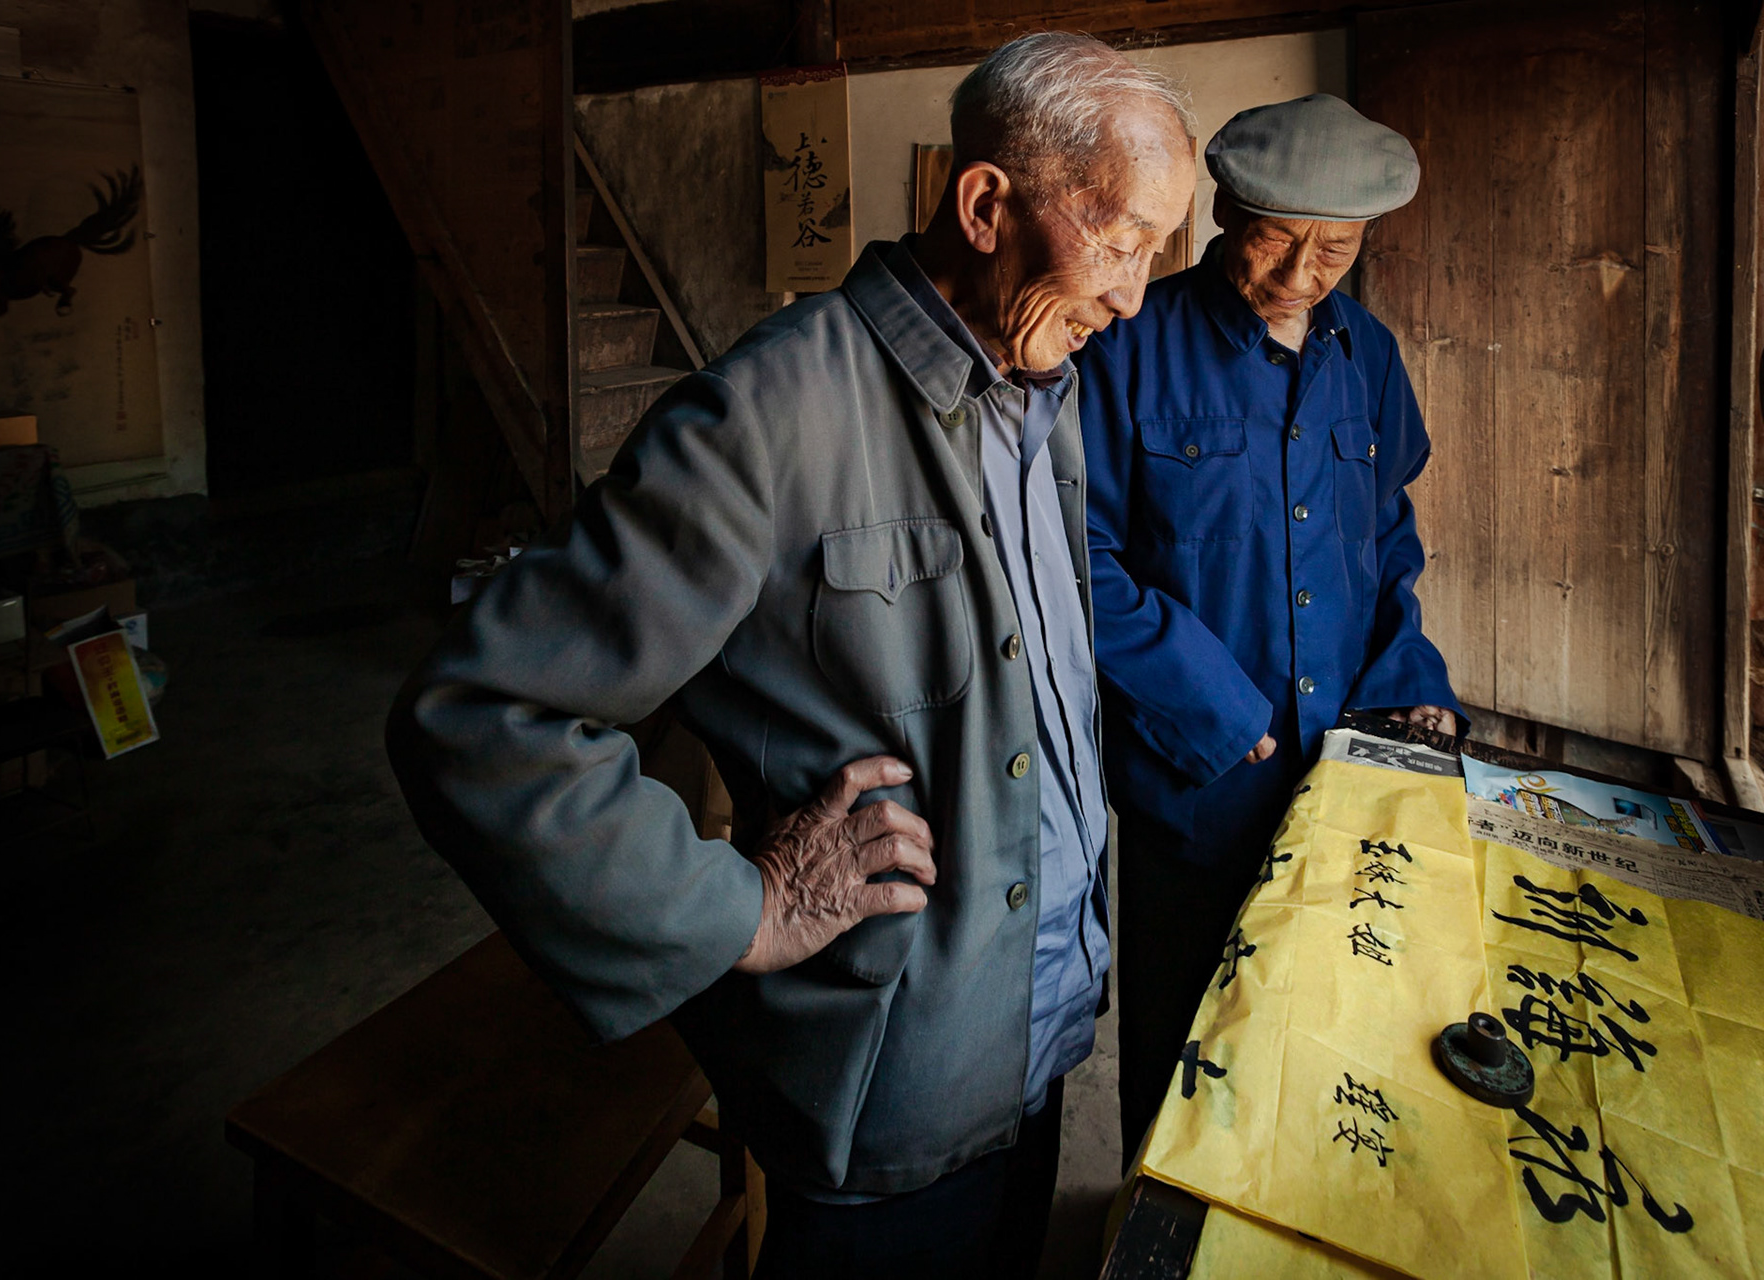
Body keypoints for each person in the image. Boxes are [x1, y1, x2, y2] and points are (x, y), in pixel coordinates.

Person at [386, 32, 1192, 1280]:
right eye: (1125, 242)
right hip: (886, 1096)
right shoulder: (767, 418)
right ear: (987, 205)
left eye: (1157, 251)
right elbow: (482, 710)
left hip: (1038, 1053)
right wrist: (737, 908)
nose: (1136, 296)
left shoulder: (1045, 385)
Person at [1074, 93, 1465, 1156]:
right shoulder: (1128, 347)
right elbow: (1079, 559)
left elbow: (1386, 534)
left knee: (1326, 1044)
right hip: (1199, 779)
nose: (1299, 275)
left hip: (1339, 772)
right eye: (1273, 240)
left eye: (1332, 250)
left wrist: (1409, 677)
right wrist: (1205, 699)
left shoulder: (1369, 357)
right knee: (1183, 1061)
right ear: (1219, 212)